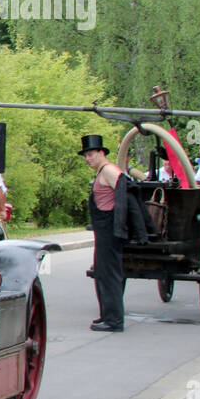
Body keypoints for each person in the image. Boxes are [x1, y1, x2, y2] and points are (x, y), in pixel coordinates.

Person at [80, 134, 126, 332]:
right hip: (104, 230)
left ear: (101, 152)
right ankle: (106, 315)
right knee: (101, 273)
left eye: (91, 154)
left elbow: (124, 193)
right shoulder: (102, 171)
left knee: (109, 275)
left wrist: (119, 226)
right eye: (85, 156)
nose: (88, 159)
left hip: (110, 230)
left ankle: (114, 321)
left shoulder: (109, 170)